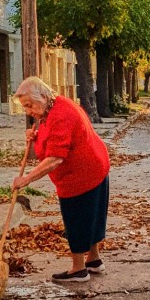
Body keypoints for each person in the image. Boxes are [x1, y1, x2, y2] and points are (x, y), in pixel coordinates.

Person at [12, 76, 110, 282]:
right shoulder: (54, 107)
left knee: (77, 219)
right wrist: (36, 137)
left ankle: (78, 269)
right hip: (95, 165)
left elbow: (56, 158)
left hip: (81, 174)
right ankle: (94, 260)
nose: (28, 110)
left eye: (29, 105)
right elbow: (55, 137)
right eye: (24, 106)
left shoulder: (59, 115)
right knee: (92, 217)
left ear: (44, 97)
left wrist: (26, 179)